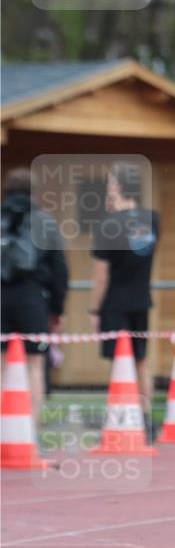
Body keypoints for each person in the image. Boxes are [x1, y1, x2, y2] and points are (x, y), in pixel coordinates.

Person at [89, 163, 159, 436]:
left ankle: (121, 420)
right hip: (141, 299)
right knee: (141, 360)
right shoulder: (154, 219)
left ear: (118, 187)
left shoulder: (107, 224)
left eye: (110, 184)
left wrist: (94, 310)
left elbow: (101, 277)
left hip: (115, 303)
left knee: (119, 362)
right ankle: (145, 419)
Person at [1, 167, 69, 426]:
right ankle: (30, 428)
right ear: (33, 192)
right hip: (32, 298)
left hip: (1, 295)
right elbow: (59, 269)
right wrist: (57, 309)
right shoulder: (45, 221)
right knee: (35, 364)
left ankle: (3, 429)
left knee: (2, 365)